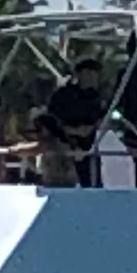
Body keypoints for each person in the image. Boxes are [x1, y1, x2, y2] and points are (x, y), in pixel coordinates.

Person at [47, 57, 106, 187]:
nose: (93, 77)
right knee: (63, 183)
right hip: (64, 146)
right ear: (79, 74)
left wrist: (91, 128)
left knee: (92, 183)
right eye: (89, 73)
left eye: (95, 73)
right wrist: (70, 131)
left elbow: (103, 118)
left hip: (89, 147)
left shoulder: (98, 97)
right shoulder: (63, 95)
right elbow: (51, 118)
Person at [16, 108, 80, 187]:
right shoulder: (63, 142)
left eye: (39, 129)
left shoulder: (52, 144)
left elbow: (20, 149)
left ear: (49, 128)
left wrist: (12, 149)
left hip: (61, 184)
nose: (37, 133)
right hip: (61, 184)